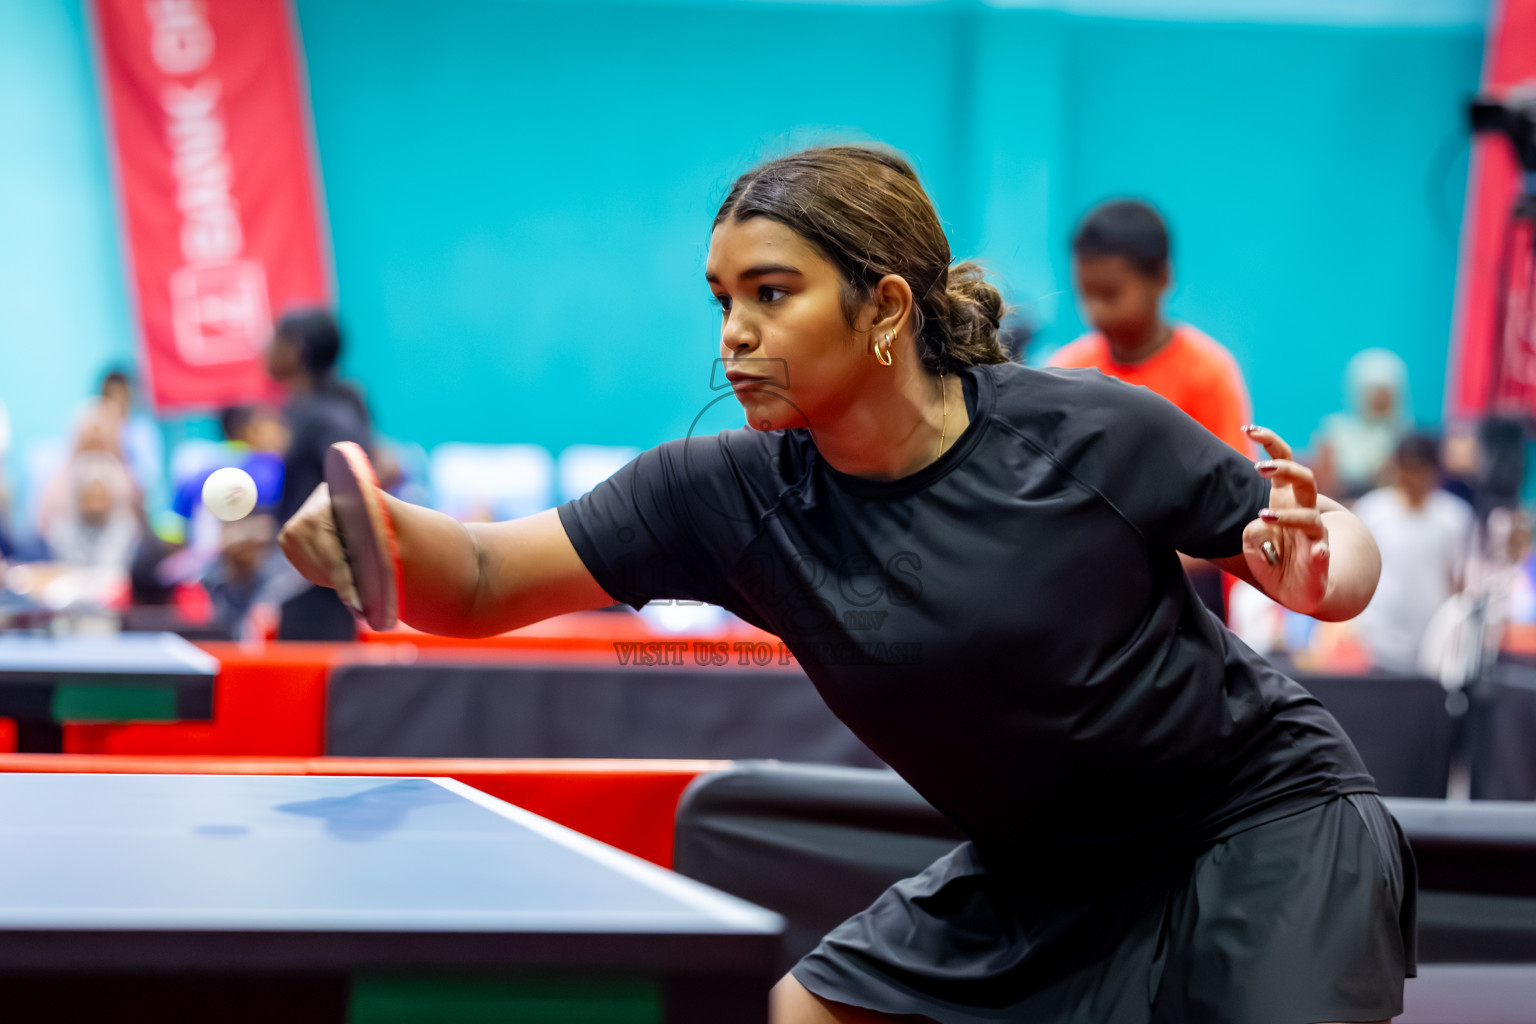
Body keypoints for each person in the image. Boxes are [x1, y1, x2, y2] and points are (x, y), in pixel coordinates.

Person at [280, 146, 1408, 1024]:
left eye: (772, 294)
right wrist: (375, 531)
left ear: (884, 308)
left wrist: (1318, 570)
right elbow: (478, 580)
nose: (735, 335)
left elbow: (1323, 545)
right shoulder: (721, 494)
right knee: (808, 1006)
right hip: (1045, 871)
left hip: (1259, 820)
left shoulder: (1080, 428)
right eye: (722, 299)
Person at [1049, 200, 1252, 455]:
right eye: (1087, 294)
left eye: (1110, 294)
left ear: (1161, 277)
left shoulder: (1207, 376)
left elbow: (1236, 483)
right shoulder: (1068, 370)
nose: (1096, 310)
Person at [266, 308, 371, 641]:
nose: (264, 349)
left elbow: (358, 487)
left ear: (296, 348)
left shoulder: (323, 418)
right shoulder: (305, 411)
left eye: (274, 339)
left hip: (318, 586)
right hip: (296, 575)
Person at [1351, 434, 1474, 673]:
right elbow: (1356, 573)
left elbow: (1458, 580)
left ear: (1435, 471)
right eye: (1409, 468)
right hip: (1377, 639)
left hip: (1433, 642)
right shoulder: (1371, 512)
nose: (1415, 477)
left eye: (1422, 469)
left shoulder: (1455, 517)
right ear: (1397, 467)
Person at [1314, 348, 1411, 502]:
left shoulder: (1405, 434)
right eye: (1375, 392)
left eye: (1386, 393)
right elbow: (1325, 486)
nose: (1380, 400)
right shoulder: (1335, 431)